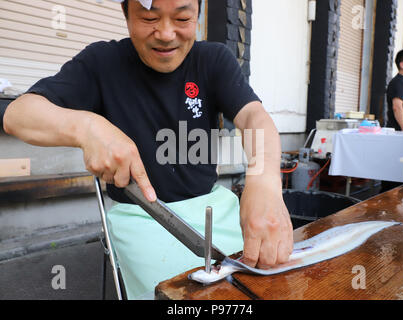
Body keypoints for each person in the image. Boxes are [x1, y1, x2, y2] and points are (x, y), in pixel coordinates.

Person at [1, 0, 293, 299]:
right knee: (179, 297)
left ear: (198, 14)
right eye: (149, 17)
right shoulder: (102, 62)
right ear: (126, 14)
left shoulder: (213, 59)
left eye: (182, 18)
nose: (166, 34)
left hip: (212, 209)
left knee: (268, 282)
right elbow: (17, 115)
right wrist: (85, 128)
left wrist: (265, 181)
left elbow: (253, 116)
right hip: (139, 215)